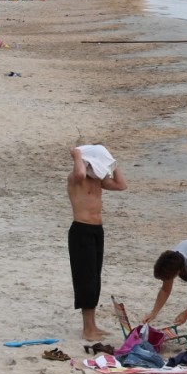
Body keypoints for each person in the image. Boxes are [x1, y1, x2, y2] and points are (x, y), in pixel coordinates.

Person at [66, 145, 127, 340]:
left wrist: (112, 162)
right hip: (81, 230)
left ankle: (93, 326)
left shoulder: (98, 180)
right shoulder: (74, 178)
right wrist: (77, 156)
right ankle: (87, 329)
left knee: (95, 279)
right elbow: (81, 174)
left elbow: (121, 185)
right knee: (85, 279)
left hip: (96, 230)